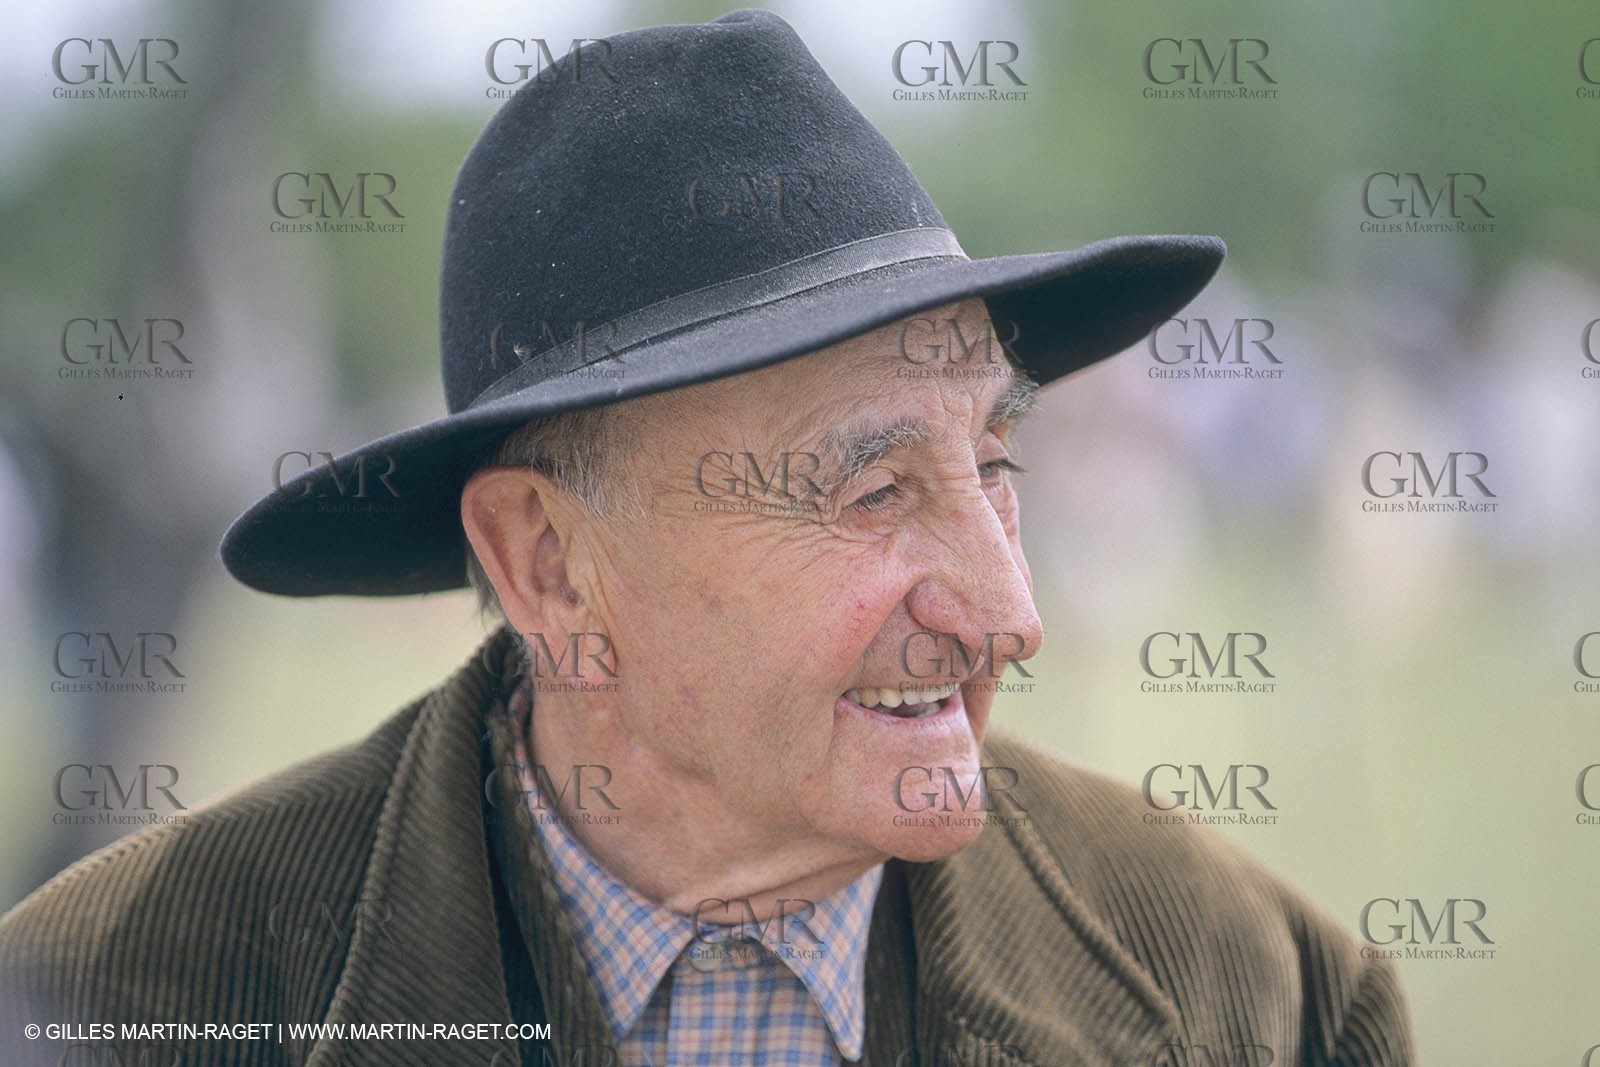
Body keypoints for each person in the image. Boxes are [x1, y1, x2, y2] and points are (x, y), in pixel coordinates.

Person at [1, 10, 1413, 1066]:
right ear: (549, 568)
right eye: (872, 493)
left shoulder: (1265, 992)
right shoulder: (122, 996)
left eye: (993, 464)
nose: (1008, 613)